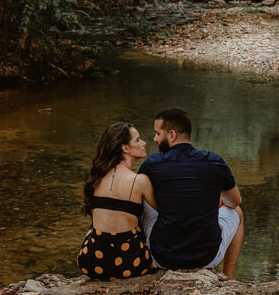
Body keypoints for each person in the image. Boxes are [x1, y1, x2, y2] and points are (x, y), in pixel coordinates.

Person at [139, 107, 244, 277]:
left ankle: (144, 265)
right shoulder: (215, 161)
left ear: (171, 135)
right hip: (207, 258)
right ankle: (228, 277)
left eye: (158, 133)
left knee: (139, 200)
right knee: (237, 213)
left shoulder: (152, 164)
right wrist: (210, 201)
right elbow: (234, 202)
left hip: (163, 257)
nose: (155, 138)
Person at [78, 122, 157, 280]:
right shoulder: (140, 180)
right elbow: (165, 212)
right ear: (125, 148)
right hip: (130, 264)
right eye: (138, 140)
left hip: (91, 262)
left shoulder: (96, 177)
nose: (144, 143)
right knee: (152, 213)